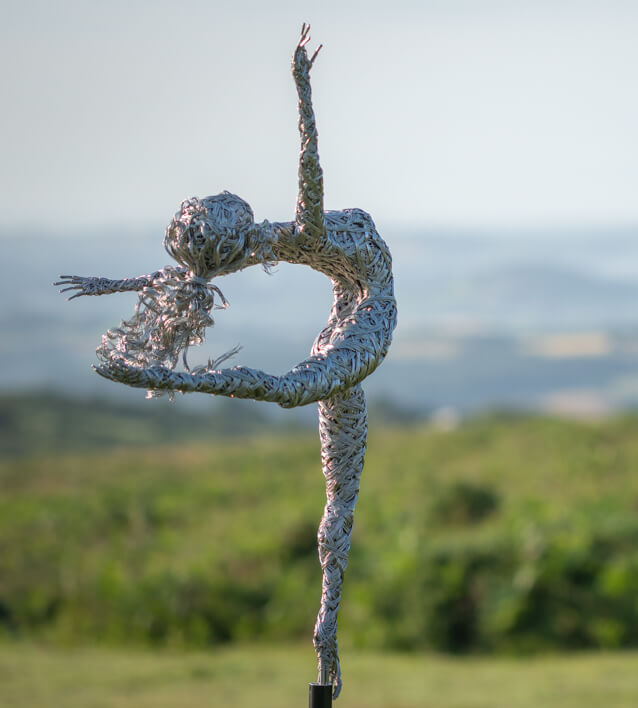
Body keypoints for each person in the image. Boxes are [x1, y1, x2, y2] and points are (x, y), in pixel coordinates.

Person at [56, 25, 393, 696]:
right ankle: (326, 644)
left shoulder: (308, 231)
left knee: (301, 399)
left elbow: (312, 170)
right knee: (338, 495)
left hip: (364, 321)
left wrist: (301, 86)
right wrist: (120, 285)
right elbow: (200, 272)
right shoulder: (263, 242)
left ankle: (326, 642)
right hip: (345, 310)